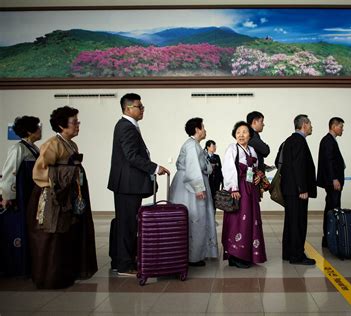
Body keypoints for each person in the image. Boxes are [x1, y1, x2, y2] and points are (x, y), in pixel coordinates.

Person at [28, 106, 97, 289]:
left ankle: (67, 273)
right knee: (53, 237)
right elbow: (39, 171)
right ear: (61, 125)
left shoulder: (71, 144)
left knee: (68, 235)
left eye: (77, 122)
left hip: (69, 195)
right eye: (74, 123)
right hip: (53, 197)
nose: (77, 126)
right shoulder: (52, 145)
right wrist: (67, 172)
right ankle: (50, 277)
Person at [108, 93, 169, 276]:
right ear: (128, 109)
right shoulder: (126, 126)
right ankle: (125, 265)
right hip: (127, 185)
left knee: (125, 223)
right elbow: (132, 156)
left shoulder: (127, 125)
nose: (142, 110)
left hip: (127, 184)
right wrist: (154, 168)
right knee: (127, 225)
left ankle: (120, 260)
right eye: (139, 107)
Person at [170, 118, 218, 266]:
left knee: (196, 218)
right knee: (195, 218)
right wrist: (198, 188)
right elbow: (193, 168)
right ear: (197, 129)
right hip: (189, 188)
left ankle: (193, 253)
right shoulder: (192, 146)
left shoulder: (194, 145)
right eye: (203, 127)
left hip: (189, 184)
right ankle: (193, 256)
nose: (205, 130)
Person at [221, 121, 267, 269]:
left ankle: (248, 254)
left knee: (250, 221)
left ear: (250, 135)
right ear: (235, 134)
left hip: (251, 190)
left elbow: (254, 168)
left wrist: (258, 176)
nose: (241, 135)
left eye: (244, 132)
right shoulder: (232, 149)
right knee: (237, 221)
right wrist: (234, 188)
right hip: (238, 189)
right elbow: (228, 169)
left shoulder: (252, 150)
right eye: (238, 132)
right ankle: (235, 255)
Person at [0, 116, 41, 276]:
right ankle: (18, 266)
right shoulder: (18, 149)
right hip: (22, 195)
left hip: (32, 193)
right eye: (37, 127)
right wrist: (8, 196)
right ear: (29, 131)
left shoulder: (34, 148)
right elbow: (9, 173)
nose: (39, 130)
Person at [277, 114, 317, 265]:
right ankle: (297, 256)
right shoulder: (299, 141)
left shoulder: (288, 141)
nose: (312, 127)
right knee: (298, 223)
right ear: (304, 125)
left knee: (290, 222)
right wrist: (302, 188)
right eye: (310, 124)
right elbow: (299, 166)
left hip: (289, 189)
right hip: (297, 191)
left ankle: (288, 253)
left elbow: (278, 161)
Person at [316, 117, 346, 248]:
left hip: (333, 181)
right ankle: (329, 237)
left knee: (332, 207)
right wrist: (334, 179)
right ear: (334, 126)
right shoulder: (328, 141)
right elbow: (329, 162)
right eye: (341, 126)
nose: (342, 129)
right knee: (332, 208)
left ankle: (330, 236)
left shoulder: (330, 140)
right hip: (332, 182)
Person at [205, 140, 223, 210]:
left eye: (215, 146)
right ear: (208, 147)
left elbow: (220, 168)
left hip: (216, 180)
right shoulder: (204, 157)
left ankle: (213, 215)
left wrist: (221, 180)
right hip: (208, 180)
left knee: (215, 198)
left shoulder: (217, 157)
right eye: (213, 146)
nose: (215, 148)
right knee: (208, 197)